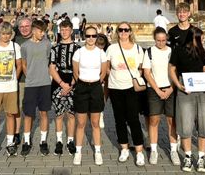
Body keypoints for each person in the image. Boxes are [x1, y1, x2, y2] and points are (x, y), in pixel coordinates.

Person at [169, 27, 205, 172]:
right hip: (186, 89)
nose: (201, 40)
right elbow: (172, 69)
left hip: (202, 88)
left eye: (201, 38)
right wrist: (179, 86)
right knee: (186, 124)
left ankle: (200, 158)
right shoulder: (179, 50)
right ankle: (188, 156)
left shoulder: (201, 51)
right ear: (191, 38)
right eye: (198, 37)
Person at [106, 22, 146, 166]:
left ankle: (139, 151)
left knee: (134, 119)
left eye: (126, 30)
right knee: (119, 119)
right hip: (115, 87)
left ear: (130, 32)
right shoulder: (112, 48)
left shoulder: (137, 49)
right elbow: (107, 68)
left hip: (131, 88)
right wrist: (114, 76)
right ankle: (124, 148)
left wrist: (135, 77)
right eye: (120, 30)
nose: (123, 32)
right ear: (117, 32)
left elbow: (142, 68)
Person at [142, 27, 179, 166]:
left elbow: (177, 71)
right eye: (158, 40)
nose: (161, 43)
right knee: (154, 120)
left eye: (164, 40)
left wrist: (171, 89)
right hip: (154, 89)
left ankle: (173, 150)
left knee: (172, 121)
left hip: (170, 89)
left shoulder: (172, 51)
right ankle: (154, 150)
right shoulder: (150, 52)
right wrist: (157, 90)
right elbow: (147, 73)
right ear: (154, 39)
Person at [71, 26, 107, 165]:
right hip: (82, 87)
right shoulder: (79, 52)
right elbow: (76, 72)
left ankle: (98, 152)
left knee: (95, 123)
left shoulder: (101, 53)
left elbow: (103, 72)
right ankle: (78, 152)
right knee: (80, 123)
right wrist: (83, 82)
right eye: (88, 36)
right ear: (84, 36)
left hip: (96, 87)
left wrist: (96, 82)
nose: (91, 39)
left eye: (93, 36)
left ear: (97, 37)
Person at [0, 22, 22, 158]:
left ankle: (10, 143)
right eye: (3, 34)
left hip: (10, 87)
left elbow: (19, 65)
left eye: (8, 34)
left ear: (11, 34)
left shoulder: (15, 46)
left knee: (10, 114)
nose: (6, 36)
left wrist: (15, 79)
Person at [20, 20, 52, 157]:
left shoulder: (47, 44)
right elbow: (24, 64)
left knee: (44, 113)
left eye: (44, 31)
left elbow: (49, 62)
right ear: (34, 30)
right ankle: (26, 141)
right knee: (28, 114)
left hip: (45, 83)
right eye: (41, 31)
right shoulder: (25, 46)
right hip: (31, 84)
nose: (43, 33)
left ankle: (43, 140)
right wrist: (30, 77)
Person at [49, 20, 79, 156]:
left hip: (73, 81)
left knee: (72, 114)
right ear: (59, 31)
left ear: (71, 31)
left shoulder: (78, 49)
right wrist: (62, 84)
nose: (65, 32)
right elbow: (52, 68)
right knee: (59, 114)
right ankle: (59, 141)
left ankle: (70, 141)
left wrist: (71, 84)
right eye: (62, 29)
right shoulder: (55, 49)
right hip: (58, 81)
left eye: (67, 29)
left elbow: (80, 69)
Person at [13, 17, 33, 146]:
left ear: (31, 26)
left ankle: (27, 134)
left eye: (27, 26)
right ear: (18, 28)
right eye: (22, 27)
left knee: (29, 109)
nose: (24, 29)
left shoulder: (38, 39)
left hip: (32, 80)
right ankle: (16, 133)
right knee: (17, 108)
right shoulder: (15, 41)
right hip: (18, 80)